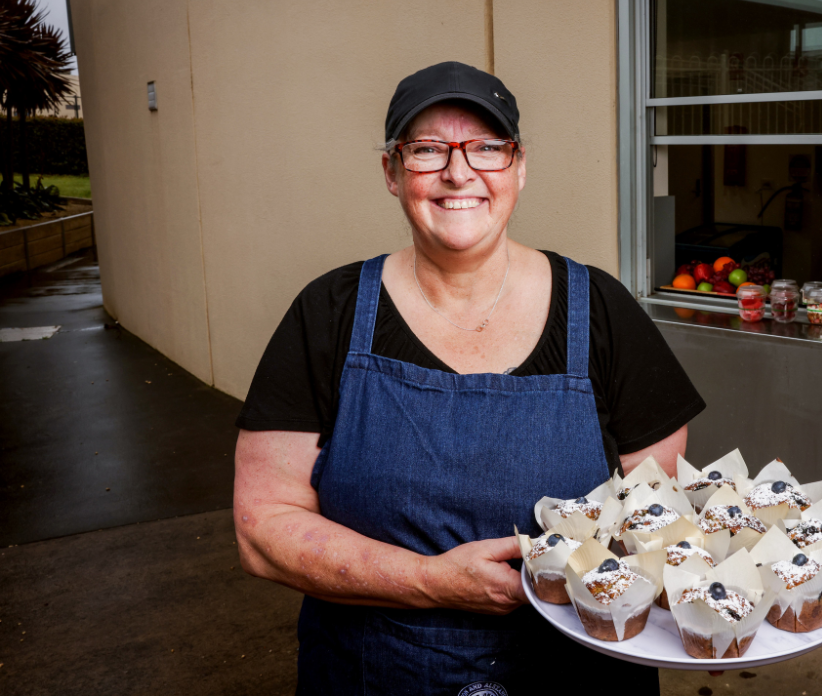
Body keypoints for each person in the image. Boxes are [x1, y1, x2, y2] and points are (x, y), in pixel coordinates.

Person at [233, 61, 706, 695]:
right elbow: (263, 527)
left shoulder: (600, 310)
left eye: (487, 148)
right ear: (392, 173)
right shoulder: (330, 314)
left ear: (519, 167)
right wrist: (426, 580)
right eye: (428, 151)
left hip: (575, 673)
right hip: (375, 672)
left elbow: (661, 518)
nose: (460, 172)